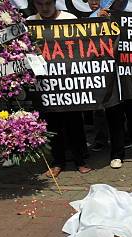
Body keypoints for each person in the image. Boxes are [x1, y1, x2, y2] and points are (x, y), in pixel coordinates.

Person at [28, 0, 93, 177]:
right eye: (40, 4)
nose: (45, 7)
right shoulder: (30, 22)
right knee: (52, 126)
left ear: (55, 2)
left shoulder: (69, 18)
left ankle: (80, 160)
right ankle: (58, 162)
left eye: (48, 3)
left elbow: (84, 46)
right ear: (35, 4)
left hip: (70, 84)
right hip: (46, 85)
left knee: (75, 124)